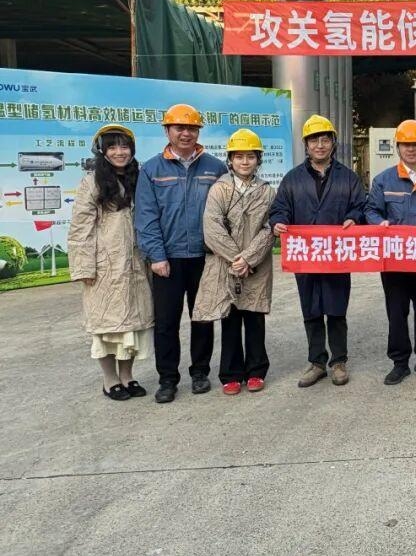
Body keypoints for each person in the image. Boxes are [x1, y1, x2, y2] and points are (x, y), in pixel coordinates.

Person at [135, 103, 227, 404]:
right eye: (179, 128)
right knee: (166, 323)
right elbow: (146, 217)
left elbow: (226, 212)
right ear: (167, 131)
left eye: (192, 128)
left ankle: (200, 372)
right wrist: (156, 256)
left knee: (203, 318)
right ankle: (167, 379)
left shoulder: (215, 168)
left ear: (198, 132)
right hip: (168, 259)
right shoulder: (151, 170)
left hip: (206, 256)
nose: (186, 133)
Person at [270, 115, 366, 389]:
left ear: (333, 143)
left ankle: (338, 362)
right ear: (306, 145)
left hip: (336, 255)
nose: (320, 145)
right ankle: (316, 362)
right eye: (314, 140)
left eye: (325, 140)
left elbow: (360, 206)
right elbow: (279, 208)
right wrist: (278, 222)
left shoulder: (348, 177)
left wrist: (354, 218)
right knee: (311, 309)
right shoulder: (292, 179)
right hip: (306, 256)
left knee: (336, 309)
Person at [68, 125, 154, 401]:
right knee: (106, 327)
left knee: (132, 326)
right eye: (113, 147)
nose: (119, 152)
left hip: (136, 264)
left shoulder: (139, 179)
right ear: (102, 151)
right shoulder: (92, 183)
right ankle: (109, 379)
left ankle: (127, 376)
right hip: (104, 266)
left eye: (124, 146)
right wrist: (84, 267)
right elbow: (80, 228)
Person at [193, 129, 276, 395]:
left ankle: (256, 371)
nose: (244, 162)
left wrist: (249, 258)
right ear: (230, 160)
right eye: (239, 156)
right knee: (229, 319)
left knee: (254, 318)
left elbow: (270, 228)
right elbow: (212, 227)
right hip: (225, 265)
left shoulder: (267, 191)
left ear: (258, 159)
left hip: (256, 266)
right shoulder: (219, 189)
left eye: (250, 156)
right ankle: (230, 374)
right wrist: (236, 259)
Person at [366, 119, 416, 386]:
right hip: (394, 262)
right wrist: (379, 223)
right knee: (396, 313)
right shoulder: (383, 180)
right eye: (405, 144)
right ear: (397, 147)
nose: (411, 149)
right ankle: (400, 363)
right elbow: (371, 210)